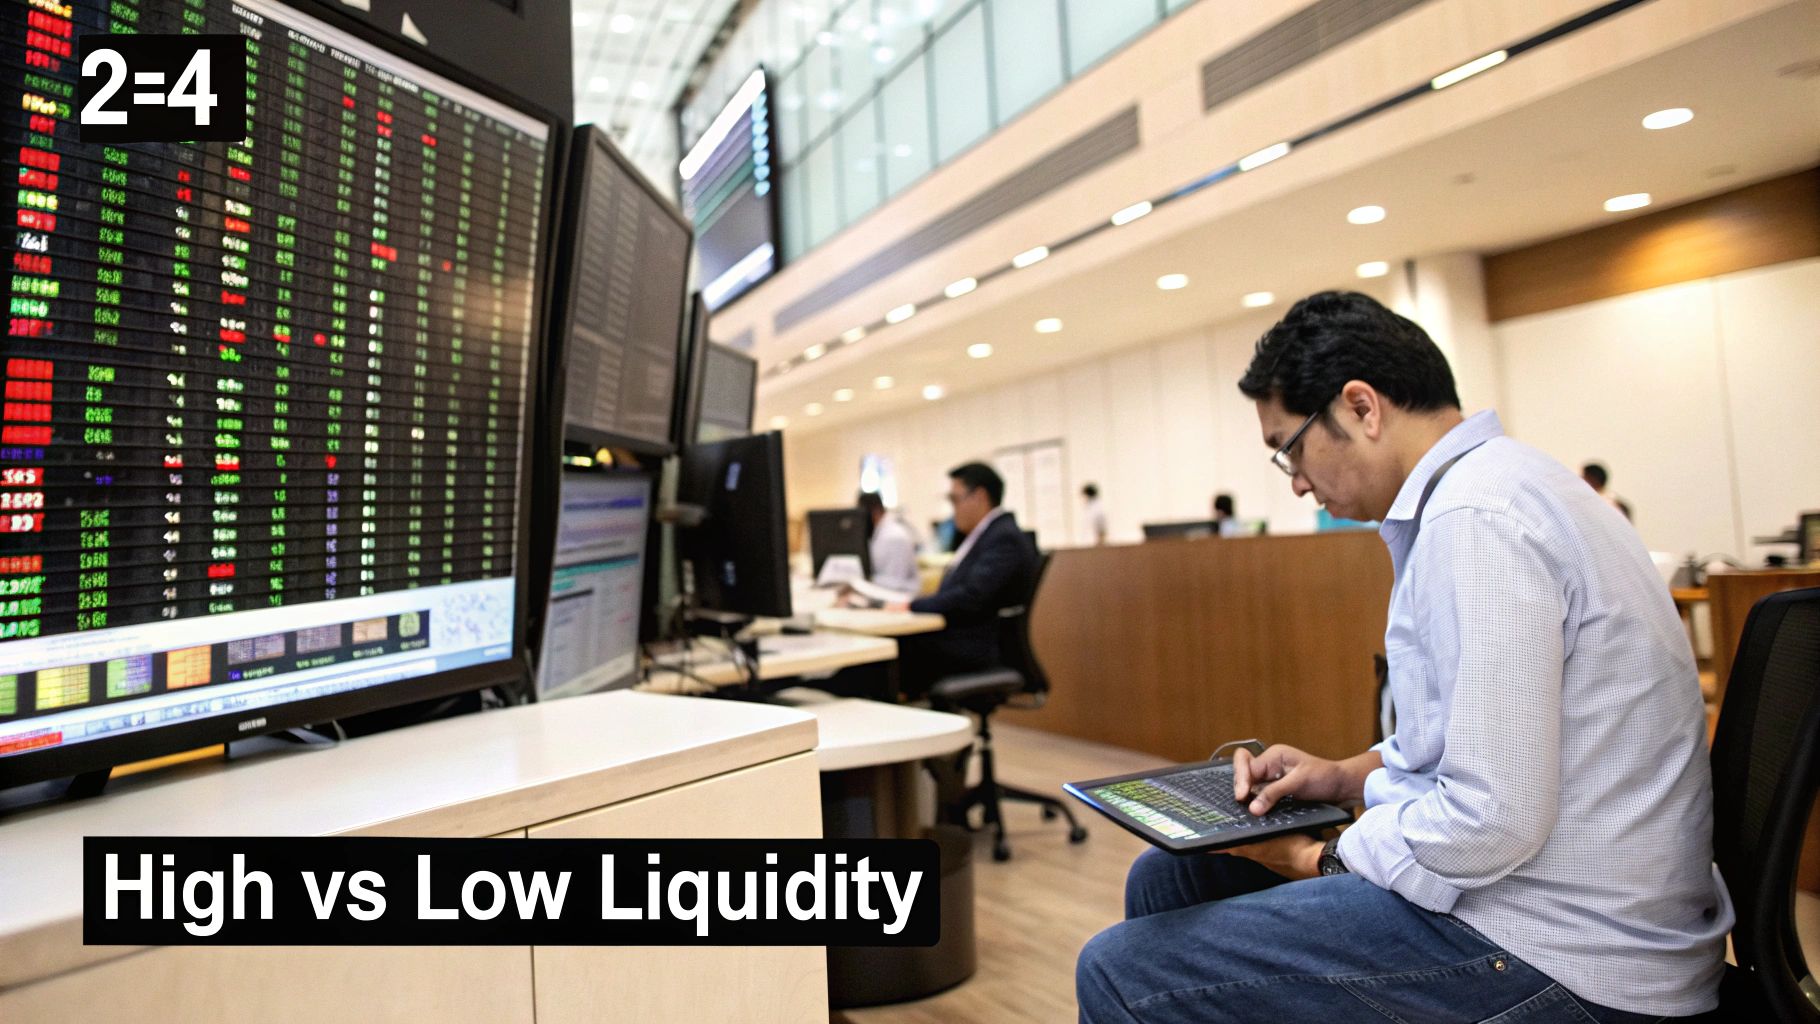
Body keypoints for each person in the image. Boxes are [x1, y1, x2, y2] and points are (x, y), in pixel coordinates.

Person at [1077, 291, 1730, 1022]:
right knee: (1172, 878)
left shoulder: (1477, 519)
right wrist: (1344, 775)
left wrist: (1322, 856)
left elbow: (1491, 821)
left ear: (1361, 407)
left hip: (1563, 948)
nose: (1297, 481)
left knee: (1119, 970)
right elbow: (1478, 746)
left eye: (1290, 448)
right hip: (1562, 902)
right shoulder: (1506, 485)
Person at [886, 463, 1038, 699]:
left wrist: (911, 605)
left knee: (887, 655)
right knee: (886, 654)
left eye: (955, 499)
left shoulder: (1003, 537)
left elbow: (971, 596)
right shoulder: (985, 535)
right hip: (964, 640)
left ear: (980, 496)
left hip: (976, 647)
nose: (953, 509)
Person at [857, 490, 920, 596]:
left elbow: (896, 582)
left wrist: (862, 580)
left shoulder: (894, 537)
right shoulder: (879, 533)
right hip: (885, 593)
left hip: (901, 596)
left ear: (875, 511)